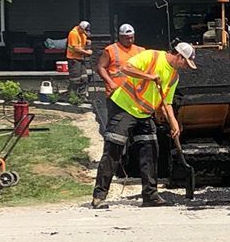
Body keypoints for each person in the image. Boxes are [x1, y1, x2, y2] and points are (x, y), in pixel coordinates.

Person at [91, 41, 197, 209]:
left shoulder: (174, 76)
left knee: (150, 150)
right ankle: (99, 196)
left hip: (144, 114)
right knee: (114, 149)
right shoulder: (152, 56)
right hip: (124, 107)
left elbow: (166, 102)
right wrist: (149, 76)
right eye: (185, 62)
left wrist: (174, 123)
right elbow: (125, 69)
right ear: (178, 56)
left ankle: (150, 196)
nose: (185, 67)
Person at [96, 23, 144, 96]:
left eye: (132, 38)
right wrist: (110, 82)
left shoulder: (140, 50)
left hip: (135, 92)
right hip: (116, 91)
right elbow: (101, 67)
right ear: (120, 37)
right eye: (127, 38)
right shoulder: (110, 50)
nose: (130, 40)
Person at [66, 20, 92, 99]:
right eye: (84, 31)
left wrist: (87, 42)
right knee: (75, 79)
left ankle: (82, 95)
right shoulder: (73, 33)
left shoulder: (83, 33)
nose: (86, 33)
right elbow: (75, 48)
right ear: (81, 28)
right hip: (73, 59)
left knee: (84, 77)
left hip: (80, 58)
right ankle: (72, 96)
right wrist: (87, 53)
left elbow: (81, 42)